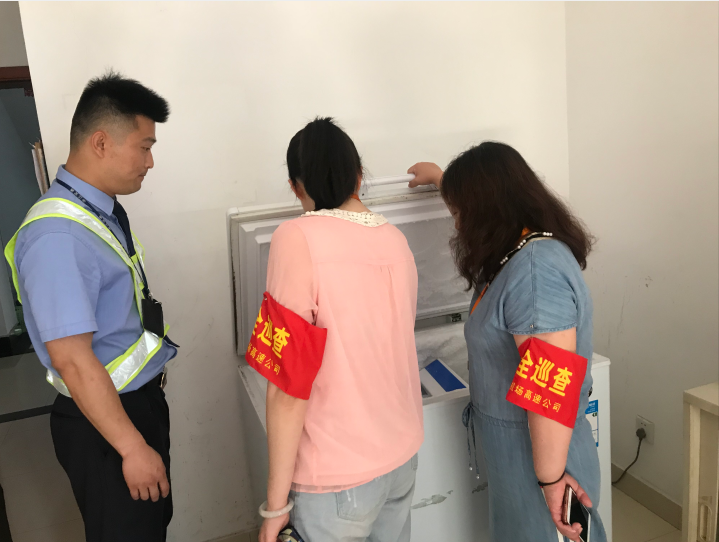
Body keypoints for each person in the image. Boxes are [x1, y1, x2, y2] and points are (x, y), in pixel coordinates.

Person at [4, 72, 178, 542]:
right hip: (105, 425)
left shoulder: (97, 210)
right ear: (101, 142)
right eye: (144, 147)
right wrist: (131, 447)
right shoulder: (58, 235)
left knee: (148, 529)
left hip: (130, 408)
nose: (150, 161)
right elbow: (72, 359)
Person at [408, 142, 606, 542]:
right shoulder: (518, 250)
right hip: (520, 453)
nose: (458, 225)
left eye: (460, 213)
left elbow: (549, 394)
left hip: (543, 457)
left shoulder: (535, 273)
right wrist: (442, 179)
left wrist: (551, 481)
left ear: (488, 210)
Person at [250, 117, 424, 542]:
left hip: (336, 478)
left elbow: (287, 386)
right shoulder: (395, 239)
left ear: (296, 186)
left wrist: (275, 507)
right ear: (358, 176)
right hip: (401, 460)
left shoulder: (296, 237)